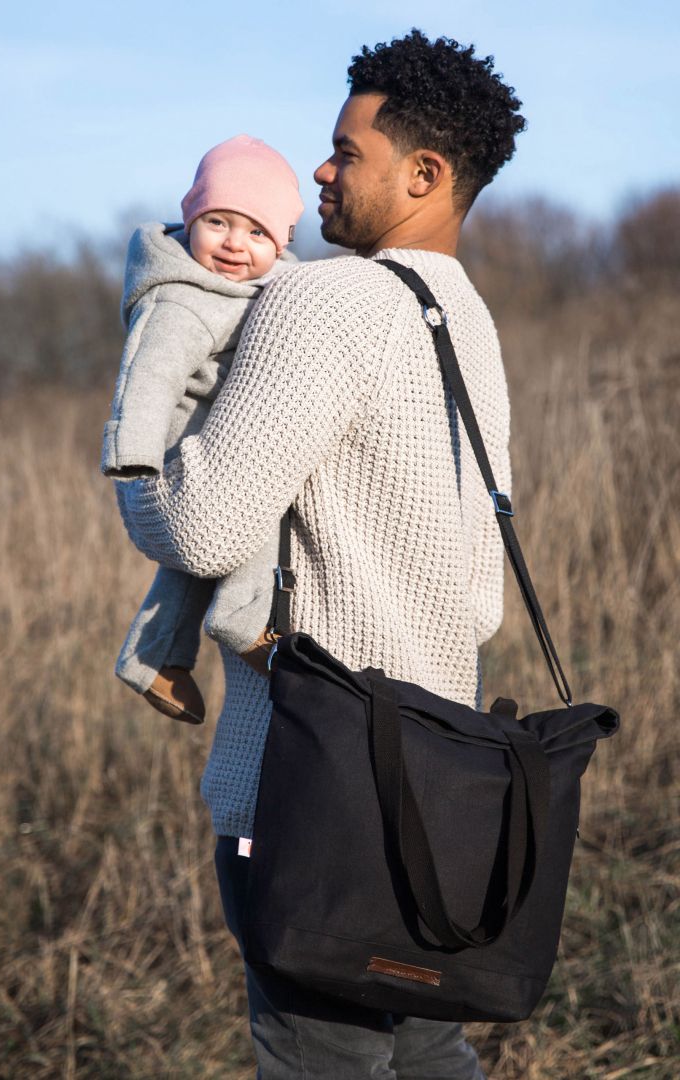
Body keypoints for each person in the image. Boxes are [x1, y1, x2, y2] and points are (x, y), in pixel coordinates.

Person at [116, 28, 525, 1080]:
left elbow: (201, 526)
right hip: (444, 780)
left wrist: (138, 449)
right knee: (430, 1051)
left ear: (424, 174)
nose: (321, 172)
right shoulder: (472, 325)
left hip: (310, 793)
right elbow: (480, 592)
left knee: (321, 1063)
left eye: (348, 152)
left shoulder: (318, 302)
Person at [101, 135, 303, 723]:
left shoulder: (273, 288)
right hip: (175, 449)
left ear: (282, 242)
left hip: (218, 438)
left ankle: (155, 656)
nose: (236, 243)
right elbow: (148, 375)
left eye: (258, 232)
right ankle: (245, 616)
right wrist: (135, 454)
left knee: (195, 558)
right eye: (218, 222)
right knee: (253, 511)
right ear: (191, 221)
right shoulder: (184, 300)